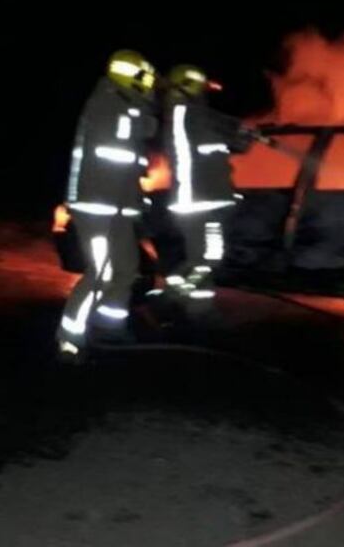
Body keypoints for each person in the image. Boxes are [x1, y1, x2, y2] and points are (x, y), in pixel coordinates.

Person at [56, 49, 159, 358]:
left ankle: (109, 327)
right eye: (147, 80)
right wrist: (148, 110)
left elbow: (132, 156)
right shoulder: (109, 102)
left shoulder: (127, 105)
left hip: (119, 207)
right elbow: (131, 135)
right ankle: (70, 341)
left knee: (127, 269)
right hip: (96, 206)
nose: (151, 86)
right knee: (100, 272)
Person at [160, 64, 252, 302]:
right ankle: (169, 298)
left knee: (208, 257)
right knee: (205, 258)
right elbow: (206, 135)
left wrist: (242, 135)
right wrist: (234, 129)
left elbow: (232, 146)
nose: (204, 93)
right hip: (195, 201)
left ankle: (198, 309)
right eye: (200, 88)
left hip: (209, 201)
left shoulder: (199, 115)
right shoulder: (183, 113)